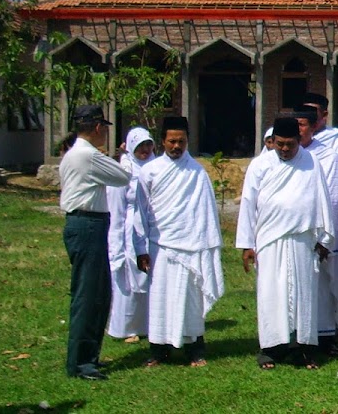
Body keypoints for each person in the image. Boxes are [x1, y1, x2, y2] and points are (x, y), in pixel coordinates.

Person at [237, 116, 336, 369]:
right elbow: (248, 204)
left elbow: (322, 199)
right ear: (272, 141)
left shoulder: (311, 161)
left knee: (304, 295)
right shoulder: (260, 165)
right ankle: (271, 349)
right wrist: (247, 244)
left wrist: (324, 239)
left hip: (303, 240)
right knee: (272, 294)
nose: (284, 149)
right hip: (270, 239)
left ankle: (304, 349)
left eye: (289, 144)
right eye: (279, 144)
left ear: (299, 141)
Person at [134, 116, 225, 367]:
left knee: (191, 299)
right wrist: (140, 249)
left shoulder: (197, 172)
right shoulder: (149, 171)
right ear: (162, 141)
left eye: (181, 141)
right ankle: (158, 351)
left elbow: (206, 212)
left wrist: (205, 246)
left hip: (191, 246)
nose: (176, 146)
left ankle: (195, 349)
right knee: (161, 299)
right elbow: (140, 213)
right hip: (161, 246)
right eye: (172, 141)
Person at [59, 105, 132, 380]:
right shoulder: (88, 155)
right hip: (87, 224)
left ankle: (88, 355)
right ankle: (80, 362)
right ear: (98, 128)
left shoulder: (75, 153)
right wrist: (123, 157)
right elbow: (122, 176)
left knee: (98, 293)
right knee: (88, 294)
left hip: (87, 223)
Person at [295, 106, 338, 354]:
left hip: (319, 233)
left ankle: (326, 337)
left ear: (313, 127)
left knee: (322, 287)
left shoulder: (326, 156)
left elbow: (336, 197)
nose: (298, 130)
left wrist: (328, 236)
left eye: (302, 125)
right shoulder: (279, 154)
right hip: (292, 233)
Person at [106, 127, 154, 343]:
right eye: (140, 146)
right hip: (130, 228)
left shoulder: (156, 167)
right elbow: (116, 209)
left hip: (151, 227)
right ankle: (127, 327)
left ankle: (150, 324)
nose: (145, 150)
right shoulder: (123, 171)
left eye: (148, 145)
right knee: (128, 277)